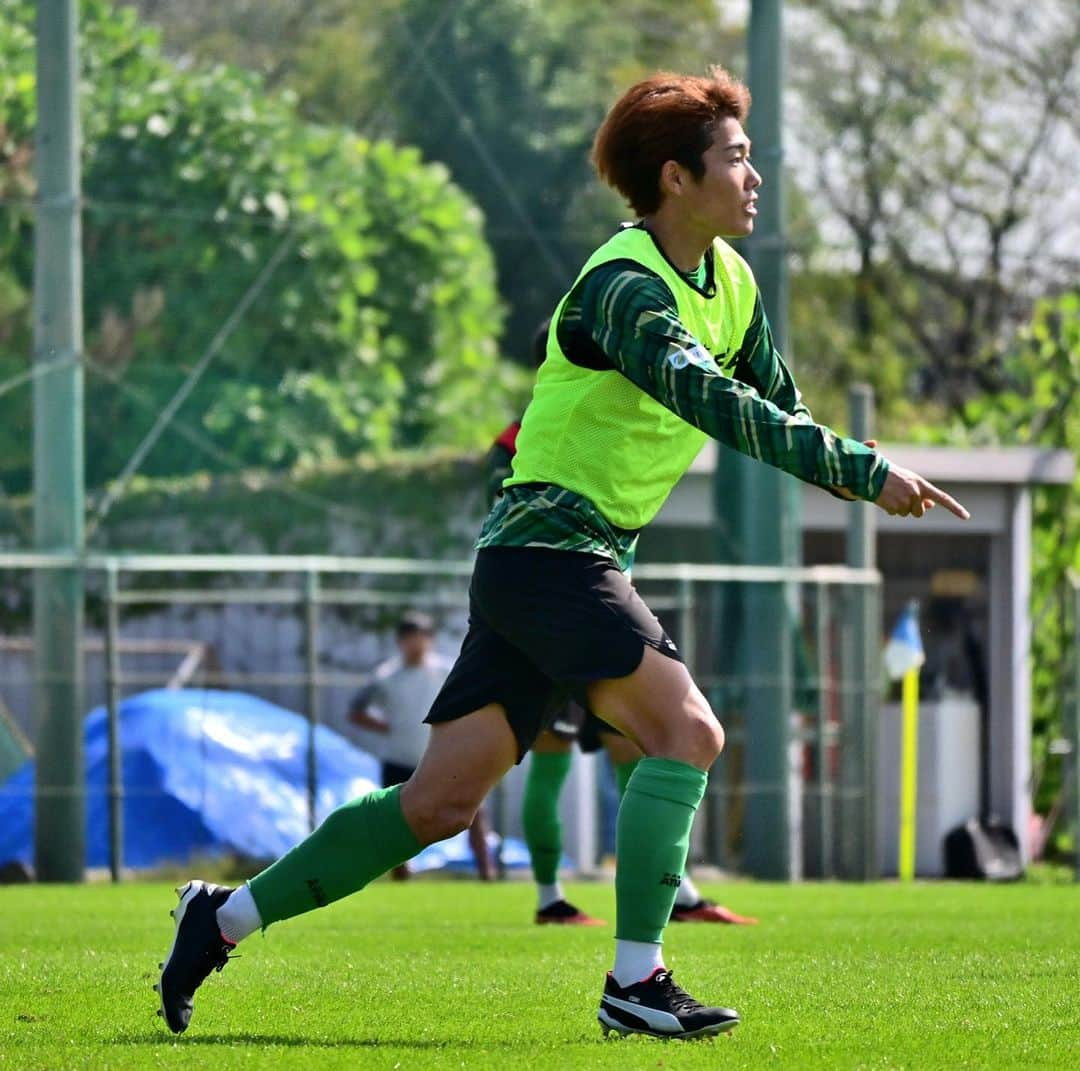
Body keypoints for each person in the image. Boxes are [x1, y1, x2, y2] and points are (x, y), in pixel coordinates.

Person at [156, 66, 968, 1041]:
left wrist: (857, 462)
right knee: (689, 735)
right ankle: (637, 981)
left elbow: (778, 409)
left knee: (438, 805)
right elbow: (710, 399)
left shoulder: (735, 286)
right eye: (739, 157)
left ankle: (222, 916)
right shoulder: (624, 287)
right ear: (675, 178)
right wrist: (856, 470)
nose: (756, 177)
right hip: (553, 555)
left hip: (546, 562)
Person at [491, 385, 756, 928]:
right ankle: (550, 899)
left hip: (598, 605)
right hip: (554, 612)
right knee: (544, 762)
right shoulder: (527, 437)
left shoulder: (605, 418)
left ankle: (674, 892)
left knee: (646, 746)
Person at [346, 611, 494, 882]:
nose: (416, 644)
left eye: (422, 638)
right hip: (399, 757)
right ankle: (401, 875)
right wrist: (389, 728)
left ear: (430, 640)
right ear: (400, 641)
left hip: (443, 755)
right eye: (410, 638)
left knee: (473, 810)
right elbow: (356, 711)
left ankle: (487, 872)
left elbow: (472, 700)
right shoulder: (387, 675)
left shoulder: (446, 670)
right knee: (396, 820)